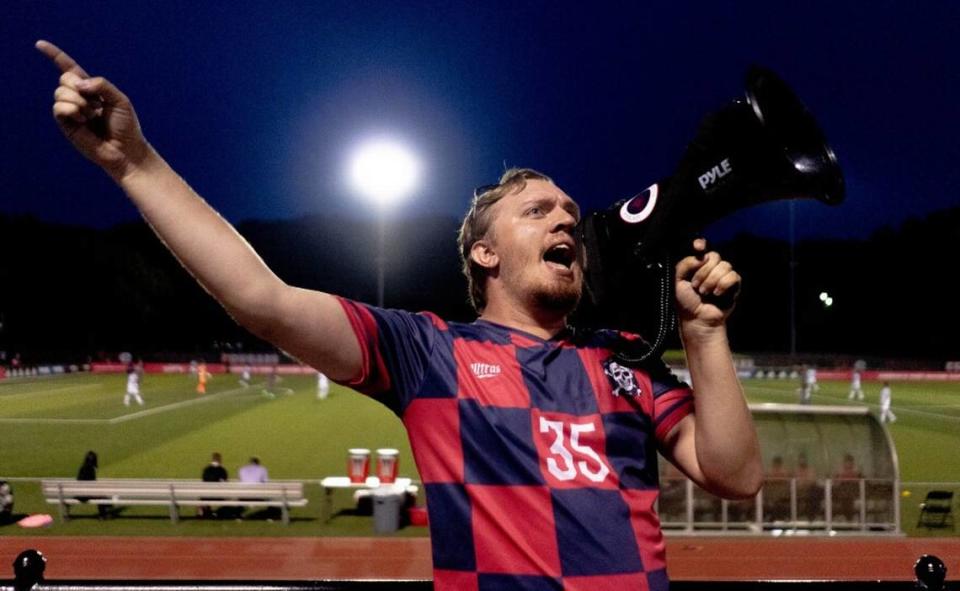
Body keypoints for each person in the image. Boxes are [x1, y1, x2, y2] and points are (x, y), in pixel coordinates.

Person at [37, 41, 762, 590]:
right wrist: (134, 164)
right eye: (537, 210)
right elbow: (262, 298)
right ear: (484, 253)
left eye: (570, 212)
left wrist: (704, 334)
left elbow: (734, 474)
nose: (565, 219)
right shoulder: (428, 351)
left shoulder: (624, 354)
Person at [76, 450, 110, 519]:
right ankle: (102, 515)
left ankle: (106, 508)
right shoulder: (91, 469)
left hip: (79, 494)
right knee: (102, 496)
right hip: (86, 495)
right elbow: (92, 484)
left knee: (102, 496)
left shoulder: (82, 468)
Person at [199, 452, 228, 519]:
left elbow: (204, 480)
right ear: (220, 460)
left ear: (212, 459)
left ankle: (203, 512)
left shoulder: (206, 469)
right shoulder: (222, 470)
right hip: (218, 495)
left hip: (206, 495)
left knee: (202, 498)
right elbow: (225, 483)